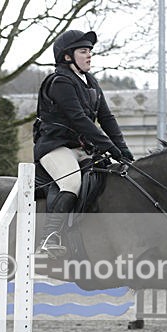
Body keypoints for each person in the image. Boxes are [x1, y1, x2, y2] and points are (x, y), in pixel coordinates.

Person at [33, 29, 134, 257]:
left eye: (90, 51)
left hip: (81, 150)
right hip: (55, 148)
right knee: (71, 182)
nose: (89, 56)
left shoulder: (90, 82)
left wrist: (124, 151)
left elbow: (106, 118)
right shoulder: (59, 82)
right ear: (68, 56)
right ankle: (50, 238)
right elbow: (79, 120)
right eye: (83, 51)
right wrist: (111, 148)